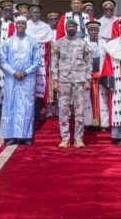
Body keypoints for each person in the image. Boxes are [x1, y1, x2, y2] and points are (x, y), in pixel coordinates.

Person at [0, 17, 42, 146]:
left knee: (26, 106)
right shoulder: (8, 42)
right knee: (10, 105)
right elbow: (2, 61)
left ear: (26, 25)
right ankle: (10, 135)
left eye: (23, 23)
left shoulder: (32, 42)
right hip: (11, 78)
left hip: (27, 79)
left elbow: (37, 61)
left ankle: (25, 136)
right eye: (18, 23)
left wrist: (25, 72)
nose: (21, 25)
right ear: (15, 25)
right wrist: (14, 72)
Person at [50, 19, 91, 148]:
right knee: (63, 110)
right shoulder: (58, 43)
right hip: (64, 81)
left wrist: (88, 79)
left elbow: (89, 62)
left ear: (77, 28)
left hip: (79, 81)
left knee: (79, 110)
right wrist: (55, 80)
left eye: (73, 26)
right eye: (69, 26)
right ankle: (65, 138)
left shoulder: (83, 43)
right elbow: (54, 63)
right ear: (66, 28)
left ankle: (78, 139)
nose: (71, 28)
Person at [25, 4, 54, 122]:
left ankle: (37, 112)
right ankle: (29, 113)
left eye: (37, 12)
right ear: (30, 14)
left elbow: (50, 44)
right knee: (29, 86)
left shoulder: (45, 27)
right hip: (28, 61)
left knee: (40, 87)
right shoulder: (25, 25)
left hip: (42, 60)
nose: (35, 14)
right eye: (33, 12)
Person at [83, 21, 109, 131]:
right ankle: (88, 123)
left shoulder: (104, 42)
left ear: (98, 31)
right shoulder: (83, 42)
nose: (93, 32)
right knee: (87, 99)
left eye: (95, 30)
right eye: (91, 30)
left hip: (100, 74)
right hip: (88, 75)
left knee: (101, 99)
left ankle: (102, 123)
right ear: (88, 31)